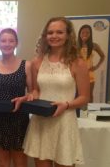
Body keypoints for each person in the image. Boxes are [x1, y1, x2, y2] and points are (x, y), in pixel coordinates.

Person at [23, 17, 90, 167]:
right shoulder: (37, 61)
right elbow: (36, 90)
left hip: (64, 122)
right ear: (45, 36)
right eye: (50, 32)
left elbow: (85, 97)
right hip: (41, 121)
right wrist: (30, 96)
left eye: (59, 32)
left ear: (68, 35)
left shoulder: (78, 63)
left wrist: (66, 105)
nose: (54, 36)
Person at [0, 28, 33, 167]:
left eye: (11, 40)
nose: (7, 44)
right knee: (2, 162)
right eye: (3, 40)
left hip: (18, 119)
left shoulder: (26, 65)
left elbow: (33, 92)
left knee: (20, 162)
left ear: (16, 43)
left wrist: (24, 98)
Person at [77, 24, 105, 102]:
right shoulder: (75, 46)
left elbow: (103, 56)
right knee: (78, 95)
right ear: (80, 34)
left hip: (89, 74)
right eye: (83, 32)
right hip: (78, 75)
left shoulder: (94, 46)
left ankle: (88, 113)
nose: (85, 34)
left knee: (89, 96)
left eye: (87, 33)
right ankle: (79, 113)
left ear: (90, 34)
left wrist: (96, 67)